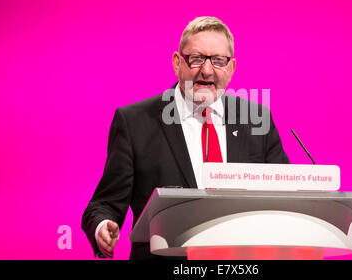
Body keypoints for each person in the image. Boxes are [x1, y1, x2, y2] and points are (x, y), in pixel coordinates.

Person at [82, 16, 290, 260]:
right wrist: (102, 226)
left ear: (232, 68)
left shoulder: (255, 119)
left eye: (218, 60)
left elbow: (285, 196)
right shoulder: (135, 121)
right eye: (197, 59)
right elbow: (104, 203)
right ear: (177, 62)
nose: (207, 70)